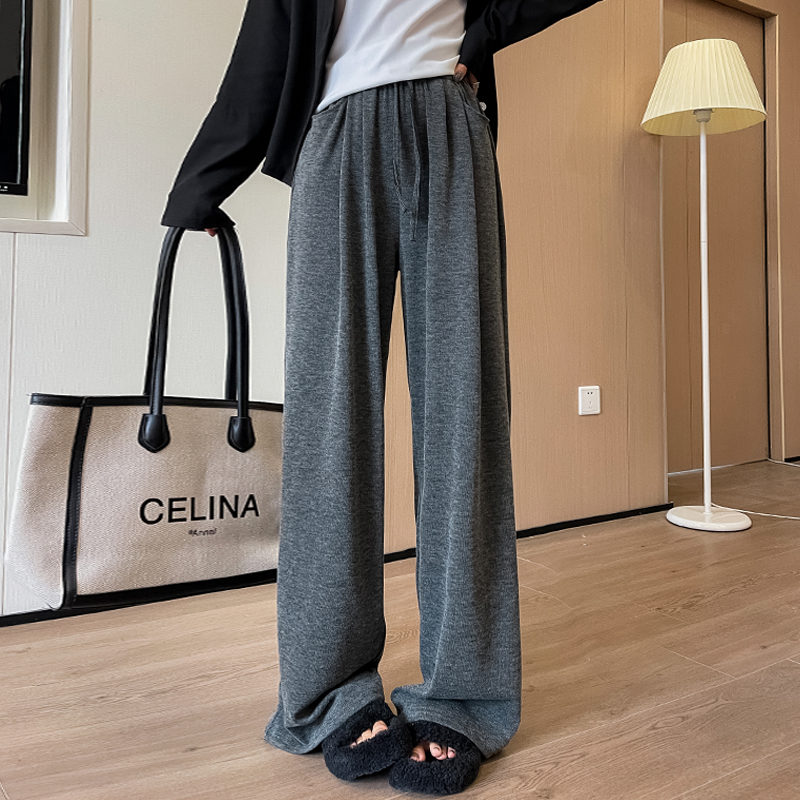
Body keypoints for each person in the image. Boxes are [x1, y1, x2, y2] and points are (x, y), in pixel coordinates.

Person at [162, 0, 603, 793]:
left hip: (450, 121)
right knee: (328, 424)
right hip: (336, 137)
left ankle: (464, 692)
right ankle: (330, 690)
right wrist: (205, 178)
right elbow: (270, 38)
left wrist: (487, 32)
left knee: (465, 417)